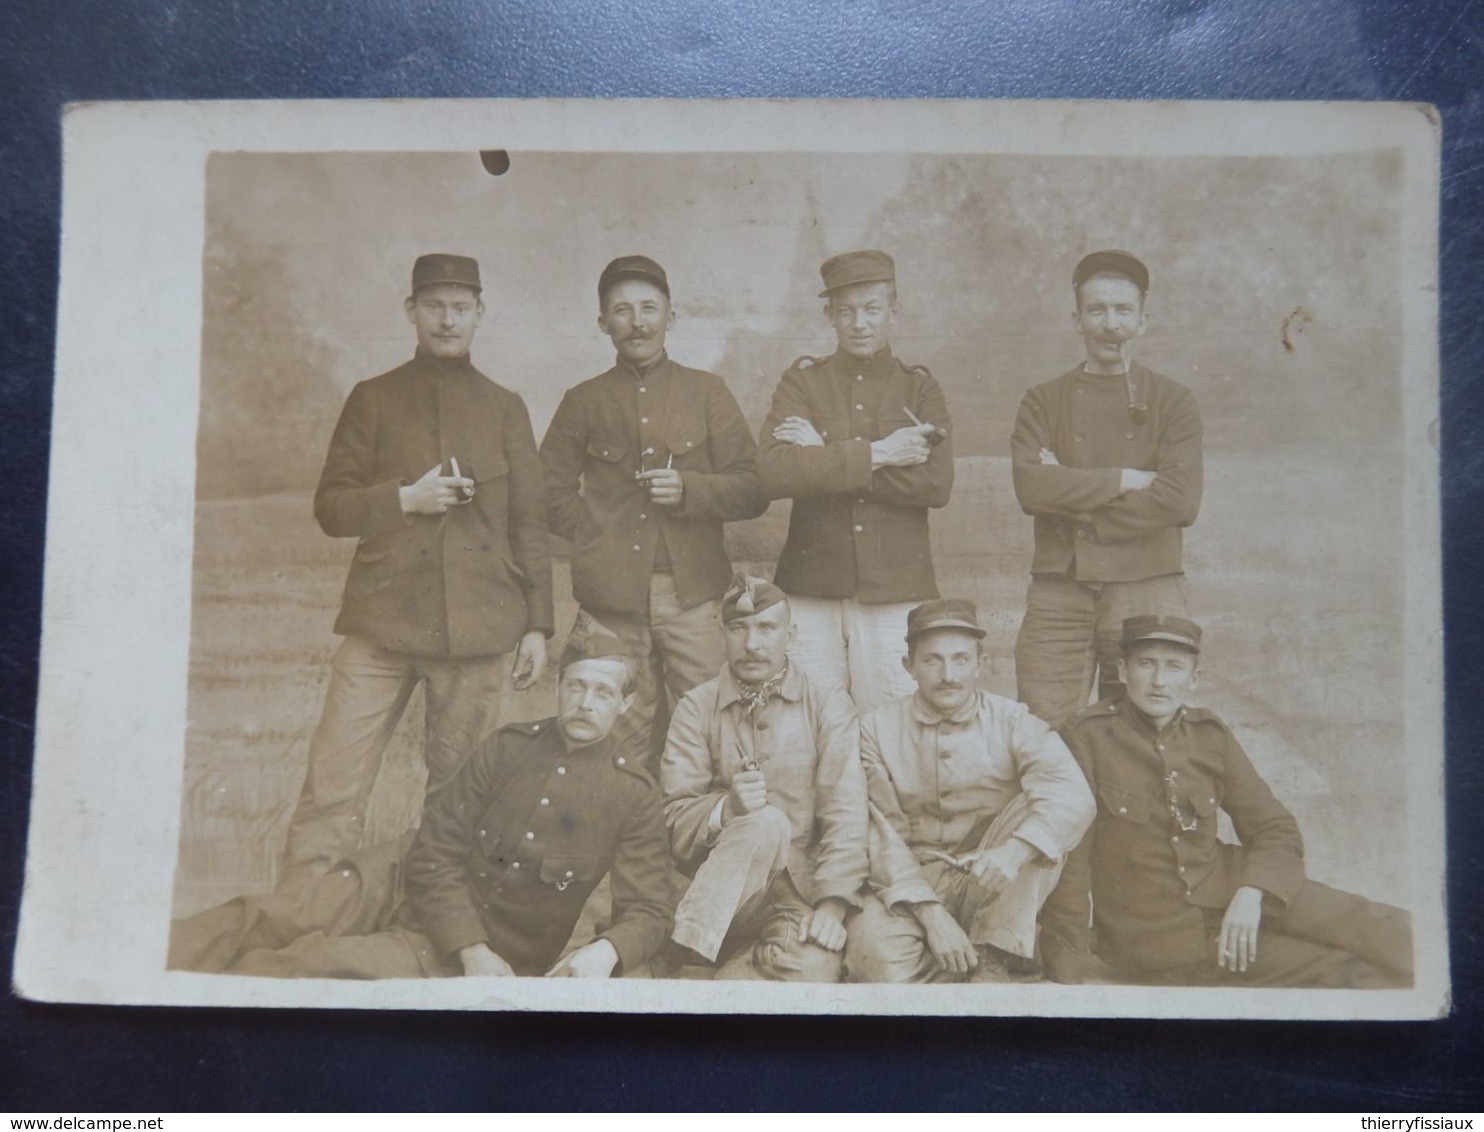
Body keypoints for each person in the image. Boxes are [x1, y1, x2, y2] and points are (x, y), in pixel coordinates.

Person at [167, 632, 673, 980]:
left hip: (461, 948)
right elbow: (435, 846)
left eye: (603, 692)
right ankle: (122, 967)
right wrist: (470, 945)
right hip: (398, 878)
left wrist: (605, 952)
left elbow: (650, 908)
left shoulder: (634, 795)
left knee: (299, 965)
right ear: (560, 689)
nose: (586, 702)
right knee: (263, 917)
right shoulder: (508, 747)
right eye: (577, 686)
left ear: (625, 705)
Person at [278, 253, 553, 894]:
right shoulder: (373, 399)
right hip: (381, 623)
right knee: (332, 784)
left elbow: (530, 525)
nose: (447, 320)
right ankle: (297, 917)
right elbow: (330, 507)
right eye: (434, 306)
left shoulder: (506, 408)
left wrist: (538, 624)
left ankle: (431, 923)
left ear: (480, 314)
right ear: (411, 312)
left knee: (459, 797)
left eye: (461, 307)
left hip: (478, 631)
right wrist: (404, 499)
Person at [1039, 615, 1413, 988]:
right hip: (1165, 937)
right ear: (1122, 670)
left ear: (1194, 678)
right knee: (1342, 971)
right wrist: (1067, 967)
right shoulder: (1086, 736)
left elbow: (1273, 826)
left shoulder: (1209, 735)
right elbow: (1069, 855)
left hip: (1239, 886)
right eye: (1146, 663)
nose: (1159, 681)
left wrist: (1252, 893)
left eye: (1174, 667)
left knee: (1377, 925)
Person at [540, 255, 766, 769]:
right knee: (614, 745)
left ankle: (701, 845)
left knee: (714, 734)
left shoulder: (707, 392)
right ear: (603, 323)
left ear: (672, 317)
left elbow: (753, 489)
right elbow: (544, 493)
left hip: (694, 600)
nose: (637, 321)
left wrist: (691, 490)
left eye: (649, 308)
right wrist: (598, 535)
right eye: (622, 310)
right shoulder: (583, 401)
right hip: (611, 603)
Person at [844, 599, 1095, 984]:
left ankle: (994, 951)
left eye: (961, 659)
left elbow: (1072, 795)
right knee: (873, 964)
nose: (949, 675)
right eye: (932, 660)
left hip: (997, 877)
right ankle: (973, 956)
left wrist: (1015, 851)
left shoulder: (1013, 721)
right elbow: (878, 833)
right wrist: (930, 913)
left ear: (981, 662)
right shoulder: (874, 730)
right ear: (907, 666)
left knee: (1041, 805)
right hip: (912, 880)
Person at [1010, 250, 1202, 729]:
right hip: (1060, 590)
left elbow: (1180, 500)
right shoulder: (1043, 400)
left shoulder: (1172, 401)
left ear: (1143, 320)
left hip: (1147, 585)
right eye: (1097, 310)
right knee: (1044, 730)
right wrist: (1122, 481)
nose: (1110, 324)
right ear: (1077, 320)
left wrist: (1075, 501)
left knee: (1146, 729)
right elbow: (1032, 489)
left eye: (1122, 311)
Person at [758, 249, 954, 714]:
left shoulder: (919, 388)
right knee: (809, 719)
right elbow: (771, 472)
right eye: (846, 311)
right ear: (829, 315)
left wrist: (823, 458)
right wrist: (882, 454)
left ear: (894, 311)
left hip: (894, 589)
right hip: (812, 585)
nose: (859, 323)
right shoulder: (803, 382)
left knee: (894, 721)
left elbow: (935, 484)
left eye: (872, 309)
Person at [661, 575, 868, 981]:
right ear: (722, 632)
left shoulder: (826, 700)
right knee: (766, 821)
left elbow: (846, 806)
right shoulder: (696, 707)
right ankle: (692, 958)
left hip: (799, 890)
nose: (752, 644)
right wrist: (727, 809)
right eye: (739, 628)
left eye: (766, 628)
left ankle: (725, 975)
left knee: (812, 970)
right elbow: (673, 819)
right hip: (716, 896)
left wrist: (834, 903)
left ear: (789, 633)